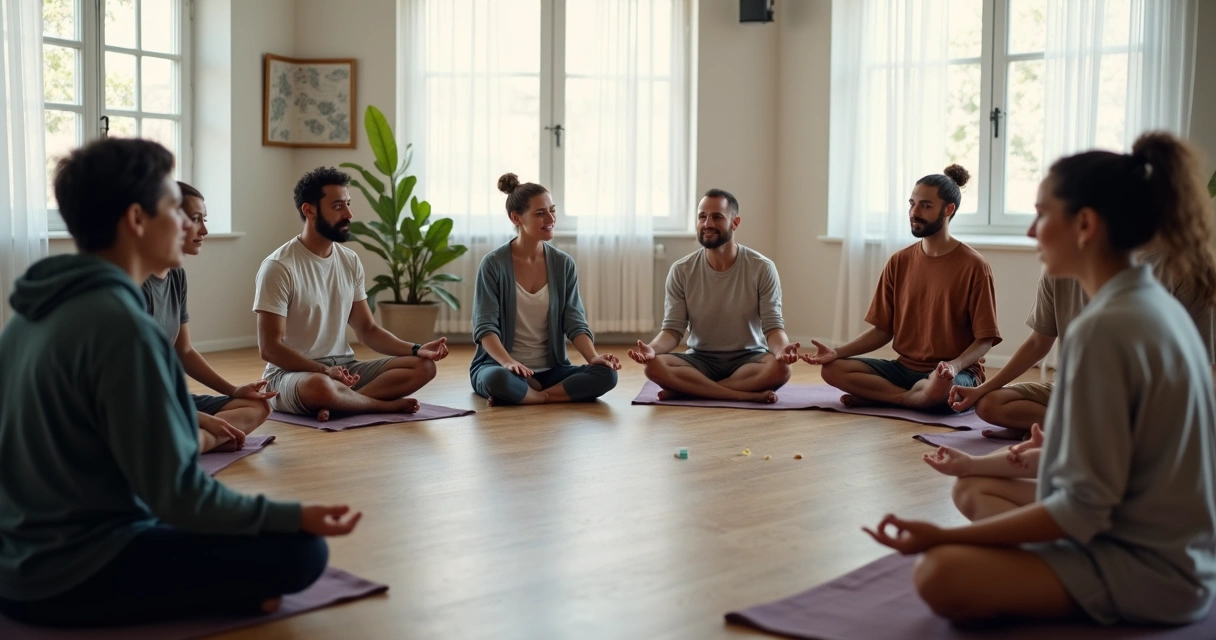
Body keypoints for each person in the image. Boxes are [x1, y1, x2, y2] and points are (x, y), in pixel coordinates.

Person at [0, 138, 360, 628]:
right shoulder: (122, 326)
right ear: (136, 219)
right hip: (70, 571)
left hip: (18, 558)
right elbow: (179, 495)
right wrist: (290, 516)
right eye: (176, 209)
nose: (190, 226)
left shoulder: (31, 312)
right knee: (302, 551)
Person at [864, 132, 1216, 626]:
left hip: (1153, 570)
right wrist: (1028, 457)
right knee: (971, 486)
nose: (1031, 231)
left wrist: (945, 537)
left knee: (939, 573)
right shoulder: (1147, 302)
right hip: (1153, 535)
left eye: (1042, 214)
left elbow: (1083, 510)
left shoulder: (1107, 327)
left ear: (1085, 225)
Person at [254, 167, 449, 420]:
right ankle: (376, 405)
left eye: (347, 204)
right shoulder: (279, 267)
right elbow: (270, 349)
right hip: (290, 375)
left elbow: (368, 330)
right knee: (320, 386)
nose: (348, 214)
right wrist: (324, 371)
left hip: (343, 369)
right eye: (337, 206)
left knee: (423, 367)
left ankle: (343, 403)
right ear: (309, 210)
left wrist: (417, 349)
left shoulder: (349, 260)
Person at [801, 165, 1001, 410]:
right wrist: (836, 352)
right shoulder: (899, 261)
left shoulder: (974, 266)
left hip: (953, 374)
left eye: (925, 206)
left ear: (948, 210)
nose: (914, 213)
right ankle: (907, 399)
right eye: (912, 204)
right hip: (903, 369)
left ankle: (884, 396)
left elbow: (985, 340)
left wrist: (954, 365)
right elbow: (882, 331)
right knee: (832, 369)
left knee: (942, 388)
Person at [949, 261, 1216, 439]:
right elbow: (1037, 343)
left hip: (1138, 402)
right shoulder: (1058, 270)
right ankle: (1073, 433)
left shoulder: (1180, 271)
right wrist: (982, 390)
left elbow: (1205, 366)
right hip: (1072, 391)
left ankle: (1062, 433)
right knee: (990, 405)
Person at [627, 189, 798, 403]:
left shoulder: (762, 268)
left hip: (749, 360)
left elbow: (773, 327)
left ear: (735, 223)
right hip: (700, 360)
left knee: (781, 369)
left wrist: (781, 351)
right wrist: (651, 350)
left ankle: (689, 391)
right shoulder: (681, 270)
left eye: (717, 217)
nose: (707, 223)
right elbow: (672, 330)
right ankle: (739, 394)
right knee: (654, 366)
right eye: (702, 216)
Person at [143, 181, 275, 452]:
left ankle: (193, 443)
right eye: (195, 219)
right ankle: (193, 441)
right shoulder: (134, 286)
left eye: (204, 220)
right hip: (143, 403)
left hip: (170, 399)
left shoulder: (176, 276)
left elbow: (184, 351)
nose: (204, 230)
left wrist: (234, 390)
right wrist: (201, 419)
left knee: (258, 406)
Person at [469, 174, 621, 405]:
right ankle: (535, 392)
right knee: (497, 380)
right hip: (500, 366)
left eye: (552, 210)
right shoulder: (493, 265)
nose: (551, 219)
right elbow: (485, 327)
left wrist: (593, 357)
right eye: (540, 213)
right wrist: (509, 362)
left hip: (552, 370)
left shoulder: (563, 264)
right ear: (516, 217)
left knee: (607, 374)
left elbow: (574, 321)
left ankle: (534, 396)